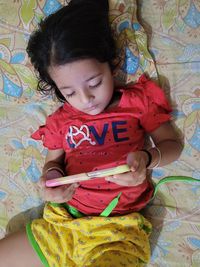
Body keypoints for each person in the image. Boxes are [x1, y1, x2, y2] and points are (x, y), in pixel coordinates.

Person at [0, 1, 182, 266]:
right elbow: (52, 163)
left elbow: (172, 145)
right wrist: (52, 180)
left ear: (111, 63)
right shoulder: (61, 121)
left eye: (95, 82)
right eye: (69, 92)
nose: (85, 99)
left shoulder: (137, 103)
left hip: (118, 231)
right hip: (63, 225)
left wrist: (148, 157)